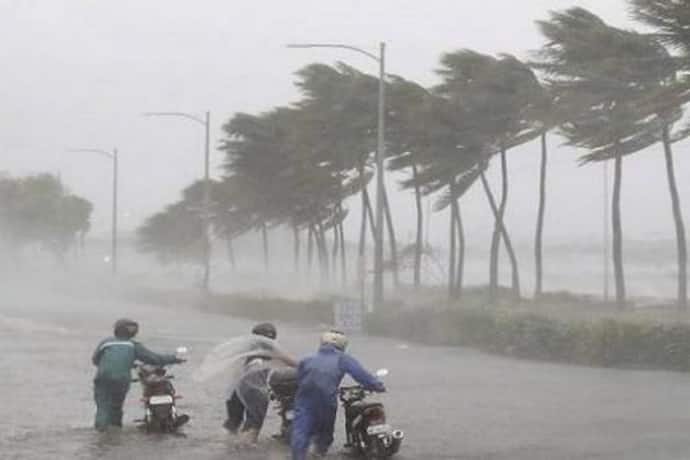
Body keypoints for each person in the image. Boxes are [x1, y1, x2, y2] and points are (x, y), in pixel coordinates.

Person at [291, 330, 385, 460]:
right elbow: (361, 375)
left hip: (304, 399)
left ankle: (299, 456)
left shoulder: (307, 359)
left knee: (301, 431)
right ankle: (318, 454)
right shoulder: (343, 359)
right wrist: (378, 386)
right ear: (343, 345)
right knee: (325, 432)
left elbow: (299, 379)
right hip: (326, 399)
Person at [91, 318, 185, 431]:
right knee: (116, 406)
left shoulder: (105, 342)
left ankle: (101, 432)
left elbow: (95, 360)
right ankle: (115, 431)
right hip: (122, 379)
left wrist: (114, 365)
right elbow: (154, 358)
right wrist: (174, 359)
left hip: (103, 378)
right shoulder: (133, 345)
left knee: (102, 406)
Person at [224, 322, 297, 443]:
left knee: (233, 422)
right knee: (253, 426)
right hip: (254, 390)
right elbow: (291, 362)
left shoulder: (247, 348)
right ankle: (247, 449)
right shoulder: (270, 349)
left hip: (235, 389)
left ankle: (227, 446)